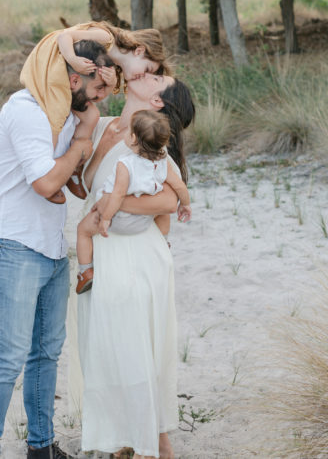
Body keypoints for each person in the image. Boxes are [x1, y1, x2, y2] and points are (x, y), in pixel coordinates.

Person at [0, 40, 113, 459]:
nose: (102, 97)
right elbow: (48, 184)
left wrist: (89, 135)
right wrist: (83, 137)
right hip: (11, 242)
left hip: (50, 247)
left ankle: (41, 447)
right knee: (10, 354)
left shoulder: (67, 114)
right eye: (98, 88)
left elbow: (73, 185)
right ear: (73, 79)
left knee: (46, 352)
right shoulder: (27, 110)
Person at [72, 72, 195, 459]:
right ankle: (126, 434)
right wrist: (101, 147)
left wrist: (112, 207)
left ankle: (152, 437)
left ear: (157, 101)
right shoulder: (108, 127)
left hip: (134, 252)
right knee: (110, 349)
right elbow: (89, 182)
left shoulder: (153, 148)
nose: (146, 74)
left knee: (139, 346)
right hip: (109, 250)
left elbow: (165, 204)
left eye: (157, 77)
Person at [74, 109, 192, 294]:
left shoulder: (125, 164)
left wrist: (105, 218)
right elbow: (179, 187)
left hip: (119, 220)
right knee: (162, 212)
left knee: (83, 230)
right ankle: (163, 241)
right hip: (144, 220)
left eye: (129, 132)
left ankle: (85, 271)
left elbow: (118, 195)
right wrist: (185, 205)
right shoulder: (162, 162)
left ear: (134, 140)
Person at [20, 21, 170, 144]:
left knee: (91, 116)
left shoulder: (111, 66)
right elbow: (64, 36)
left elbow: (95, 95)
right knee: (57, 114)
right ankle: (47, 161)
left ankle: (74, 155)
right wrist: (73, 60)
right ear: (139, 51)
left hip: (68, 74)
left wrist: (110, 85)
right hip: (52, 59)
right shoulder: (105, 38)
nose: (144, 76)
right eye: (147, 69)